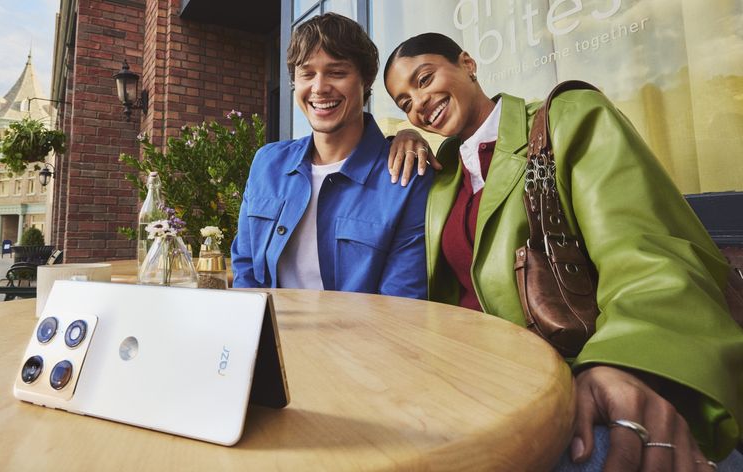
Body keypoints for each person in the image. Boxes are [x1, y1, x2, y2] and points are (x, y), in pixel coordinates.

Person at [383, 33, 743, 470]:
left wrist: (627, 361)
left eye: (424, 79)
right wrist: (401, 136)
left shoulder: (567, 117)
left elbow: (641, 250)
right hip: (478, 395)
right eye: (404, 103)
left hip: (574, 379)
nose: (419, 103)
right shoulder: (441, 179)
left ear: (468, 63)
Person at [231, 14, 432, 298]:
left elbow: (401, 302)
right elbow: (246, 270)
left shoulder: (405, 176)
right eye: (307, 73)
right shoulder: (267, 163)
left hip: (360, 341)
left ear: (365, 80)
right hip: (267, 336)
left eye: (337, 72)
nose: (319, 87)